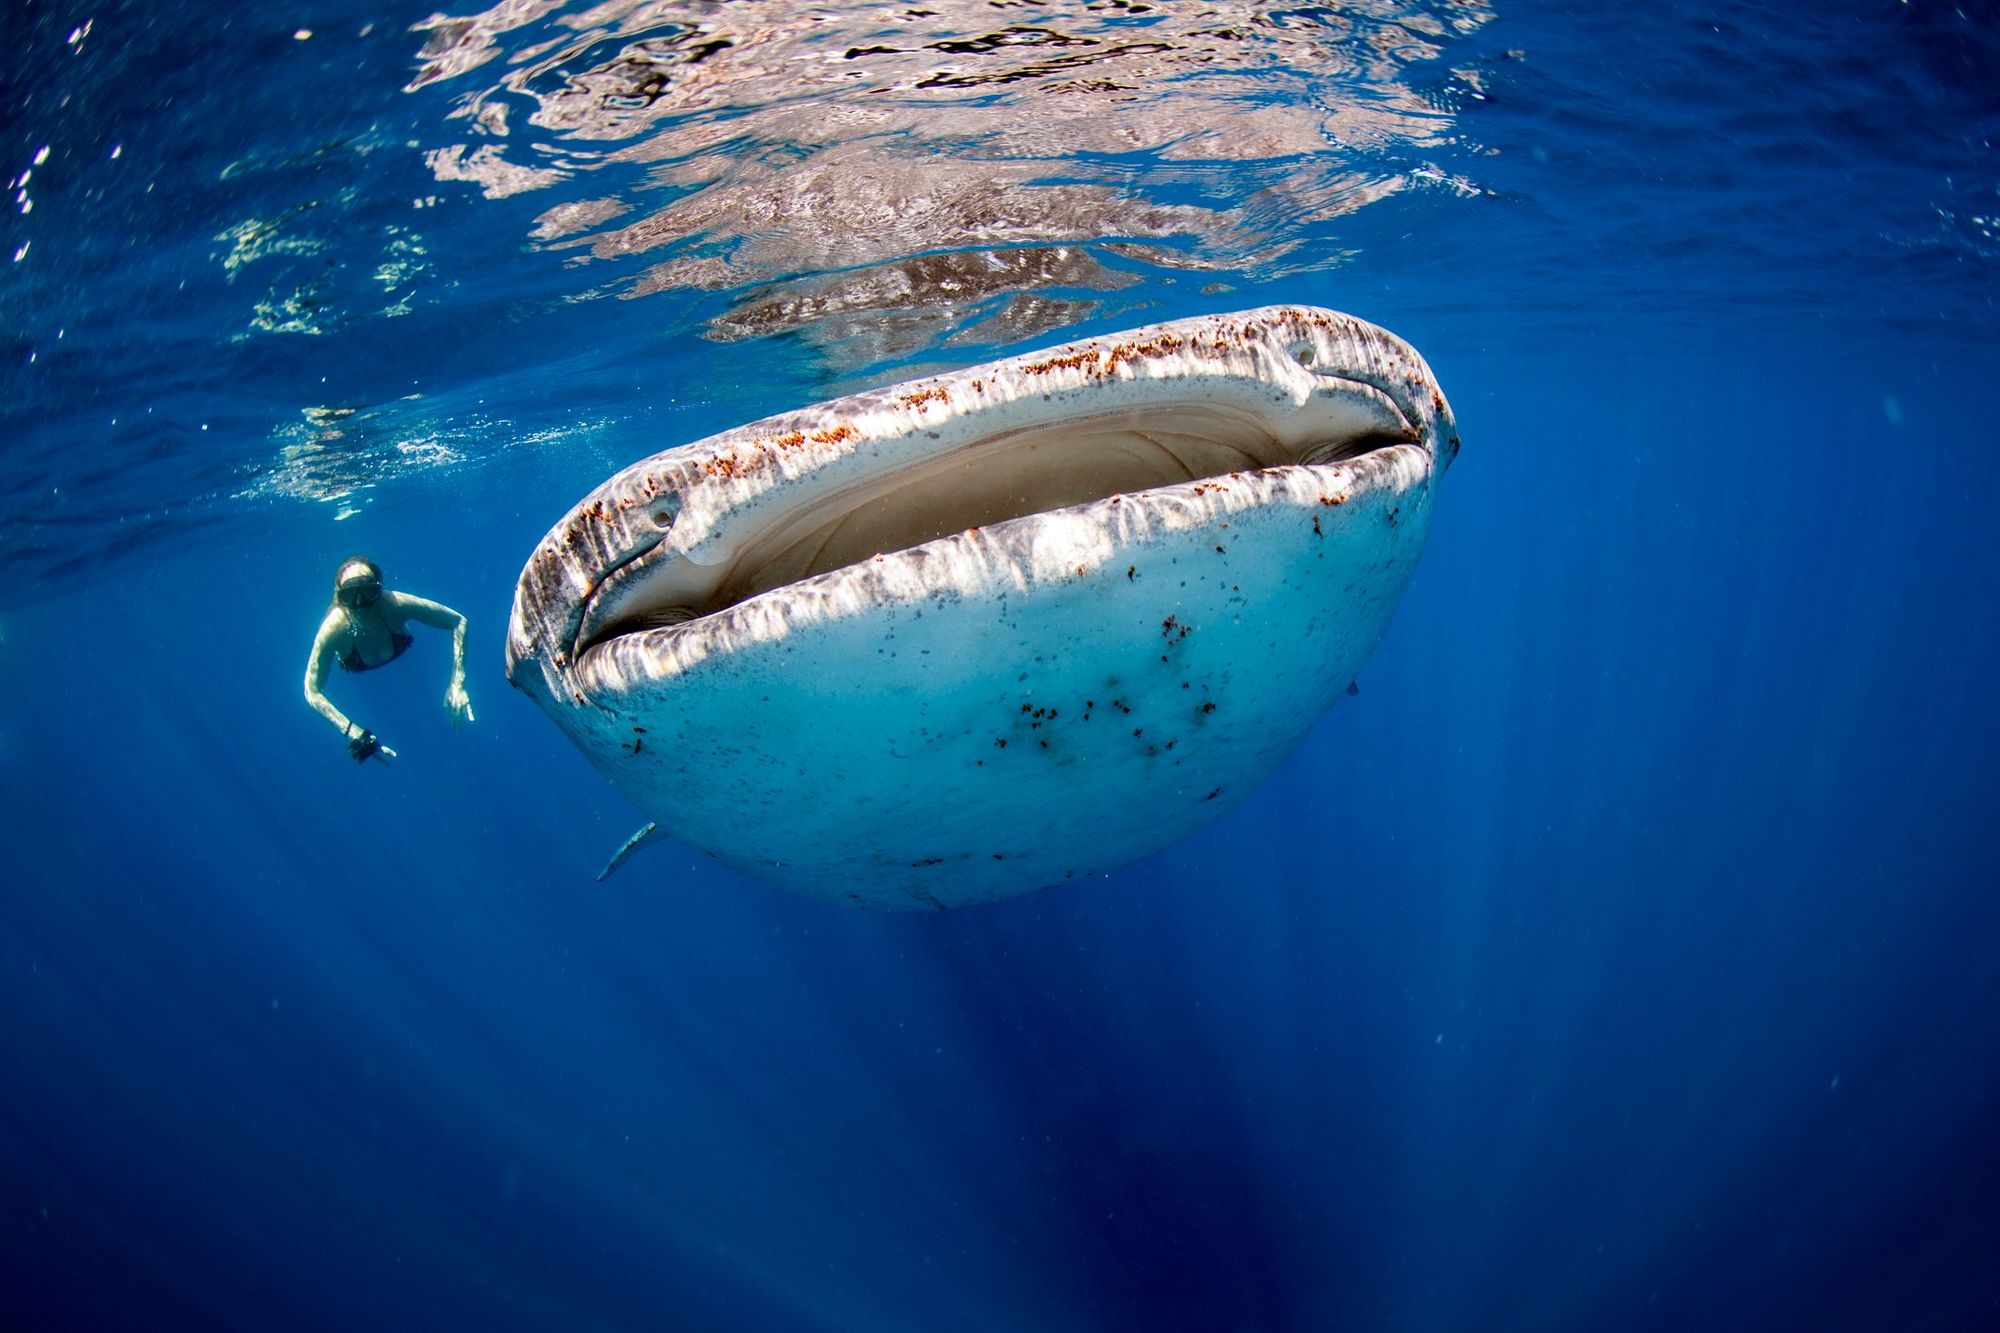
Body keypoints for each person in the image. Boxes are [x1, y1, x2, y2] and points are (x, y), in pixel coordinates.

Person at [304, 556, 474, 764]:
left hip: (392, 651)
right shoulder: (332, 629)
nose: (361, 603)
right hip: (370, 658)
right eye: (351, 594)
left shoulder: (394, 604)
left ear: (379, 590)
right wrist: (353, 732)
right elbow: (311, 690)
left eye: (368, 591)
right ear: (340, 598)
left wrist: (458, 682)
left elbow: (458, 621)